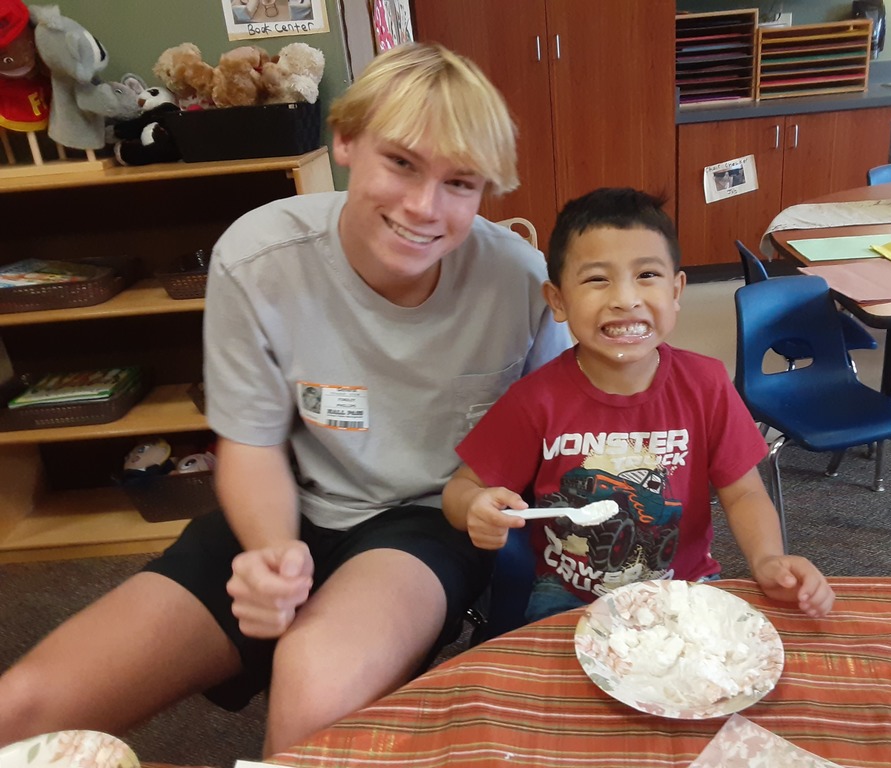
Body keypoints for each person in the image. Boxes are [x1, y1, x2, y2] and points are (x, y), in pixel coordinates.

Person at [0, 42, 570, 755]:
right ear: (347, 142)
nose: (425, 207)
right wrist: (272, 552)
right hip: (291, 499)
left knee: (313, 683)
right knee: (24, 705)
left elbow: (562, 427)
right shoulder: (258, 256)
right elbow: (252, 440)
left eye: (460, 182)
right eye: (401, 163)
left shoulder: (519, 278)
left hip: (429, 520)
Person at [442, 187, 835, 624]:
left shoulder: (706, 384)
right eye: (597, 279)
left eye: (647, 275)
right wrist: (474, 506)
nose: (625, 299)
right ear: (558, 300)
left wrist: (767, 559)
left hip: (683, 587)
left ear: (676, 290)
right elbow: (460, 488)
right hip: (567, 598)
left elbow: (744, 492)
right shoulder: (534, 400)